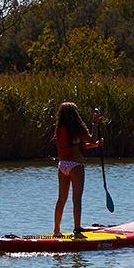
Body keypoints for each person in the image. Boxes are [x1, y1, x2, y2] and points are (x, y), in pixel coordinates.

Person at [52, 101, 102, 237]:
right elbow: (92, 138)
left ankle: (56, 231)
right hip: (76, 166)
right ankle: (77, 231)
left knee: (61, 199)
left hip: (62, 166)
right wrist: (95, 123)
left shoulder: (59, 129)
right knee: (77, 199)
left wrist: (95, 145)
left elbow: (75, 145)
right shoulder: (78, 128)